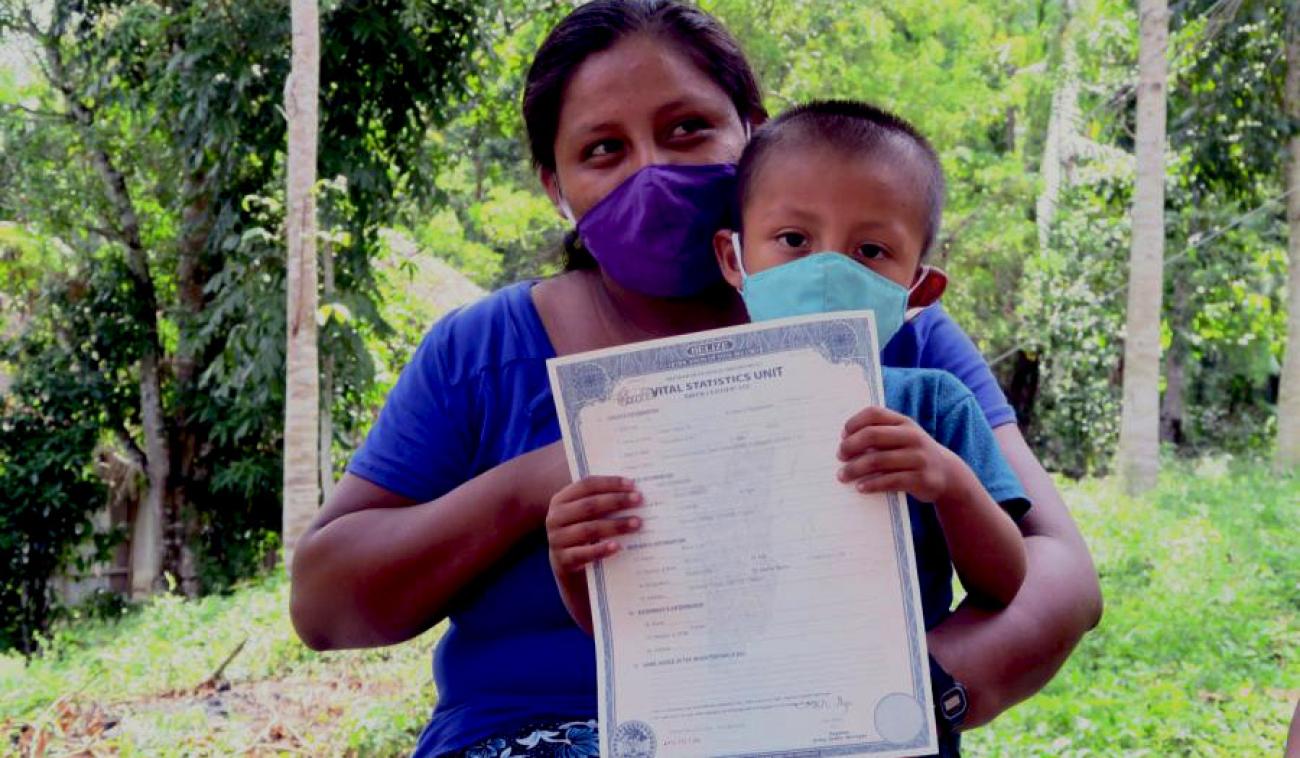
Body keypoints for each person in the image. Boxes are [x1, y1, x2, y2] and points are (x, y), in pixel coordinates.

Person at [287, 2, 1102, 757]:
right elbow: (326, 604)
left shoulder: (893, 330)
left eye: (687, 129)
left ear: (751, 132)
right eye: (603, 149)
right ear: (555, 187)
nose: (652, 172)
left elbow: (1057, 573)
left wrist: (924, 689)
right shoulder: (484, 350)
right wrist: (534, 487)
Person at [549, 101, 1031, 657]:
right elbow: (637, 635)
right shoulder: (670, 415)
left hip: (884, 732)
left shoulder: (933, 406)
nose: (826, 269)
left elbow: (1005, 584)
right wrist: (571, 560)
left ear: (917, 291)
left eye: (870, 251)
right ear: (734, 259)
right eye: (794, 240)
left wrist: (949, 481)